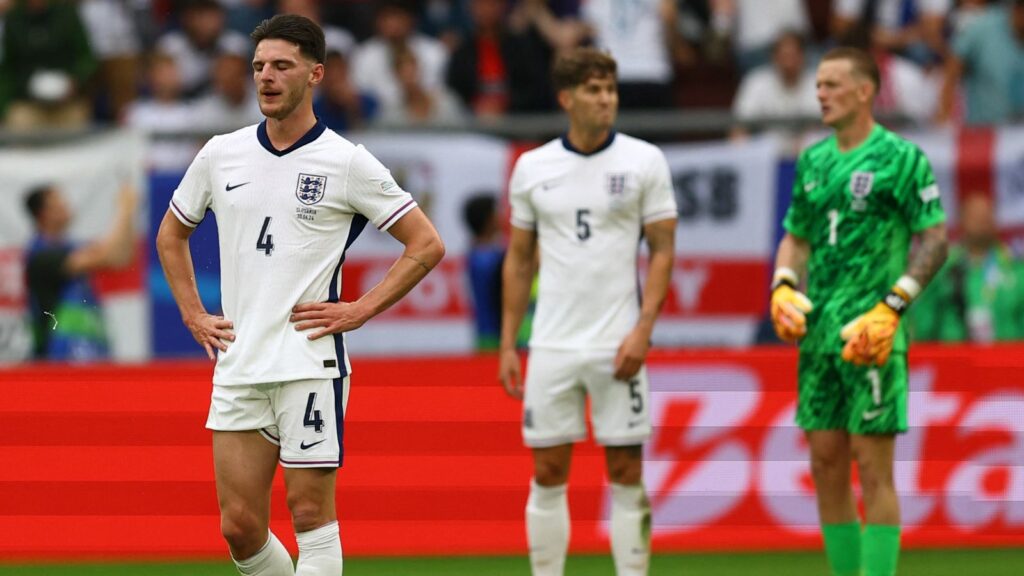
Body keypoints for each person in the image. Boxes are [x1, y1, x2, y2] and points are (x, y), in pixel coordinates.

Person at [155, 14, 444, 576]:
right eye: (259, 66)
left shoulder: (346, 161)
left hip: (309, 360)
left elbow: (425, 244)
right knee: (239, 527)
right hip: (239, 360)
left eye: (281, 66)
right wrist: (193, 311)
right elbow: (172, 234)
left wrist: (360, 309)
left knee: (309, 510)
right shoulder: (221, 153)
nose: (266, 77)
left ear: (315, 74)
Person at [499, 47, 678, 576]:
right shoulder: (533, 167)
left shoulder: (644, 160)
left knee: (626, 469)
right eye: (595, 90)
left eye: (611, 89)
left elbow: (663, 250)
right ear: (566, 98)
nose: (606, 100)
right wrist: (510, 341)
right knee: (549, 470)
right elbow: (519, 259)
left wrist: (643, 330)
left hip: (618, 341)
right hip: (552, 344)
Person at [769, 46, 948, 576]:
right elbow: (795, 239)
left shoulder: (901, 157)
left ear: (864, 90)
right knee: (825, 465)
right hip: (817, 334)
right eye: (818, 84)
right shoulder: (813, 160)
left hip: (871, 336)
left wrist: (892, 308)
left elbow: (935, 240)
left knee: (874, 471)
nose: (819, 93)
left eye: (831, 84)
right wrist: (782, 285)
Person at [23, 182, 137, 361]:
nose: (66, 206)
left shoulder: (71, 247)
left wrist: (129, 213)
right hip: (57, 360)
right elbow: (109, 255)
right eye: (58, 203)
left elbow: (120, 258)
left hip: (90, 353)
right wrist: (125, 209)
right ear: (43, 214)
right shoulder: (41, 256)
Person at [906, 193, 1024, 342]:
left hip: (1006, 359)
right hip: (953, 359)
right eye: (975, 217)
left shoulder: (1015, 268)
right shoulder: (943, 268)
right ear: (962, 221)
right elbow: (925, 320)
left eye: (986, 216)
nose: (982, 222)